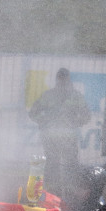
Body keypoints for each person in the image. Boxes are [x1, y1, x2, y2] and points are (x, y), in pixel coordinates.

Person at [28, 68, 91, 200]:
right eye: (60, 79)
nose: (62, 82)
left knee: (69, 164)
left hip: (66, 137)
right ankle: (53, 191)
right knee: (54, 163)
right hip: (53, 137)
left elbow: (86, 116)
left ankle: (69, 191)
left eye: (64, 79)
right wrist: (44, 122)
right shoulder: (51, 95)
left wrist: (75, 122)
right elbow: (33, 112)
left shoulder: (74, 96)